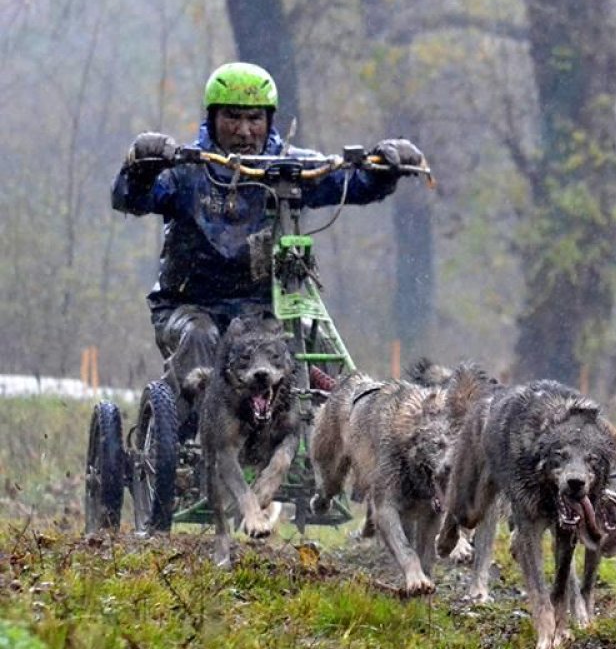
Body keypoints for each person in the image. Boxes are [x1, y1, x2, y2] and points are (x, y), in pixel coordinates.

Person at [112, 61, 424, 426]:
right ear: (212, 118)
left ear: (269, 120)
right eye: (232, 117)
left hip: (263, 310)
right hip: (188, 305)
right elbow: (130, 199)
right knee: (200, 338)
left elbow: (350, 183)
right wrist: (140, 168)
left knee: (308, 353)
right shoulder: (184, 171)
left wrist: (384, 170)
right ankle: (189, 440)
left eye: (254, 118)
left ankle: (324, 439)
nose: (244, 131)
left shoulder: (290, 167)